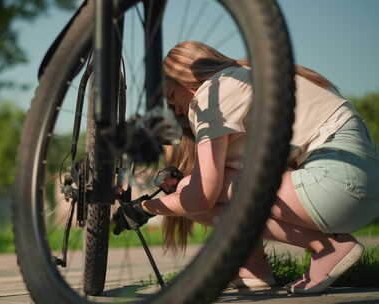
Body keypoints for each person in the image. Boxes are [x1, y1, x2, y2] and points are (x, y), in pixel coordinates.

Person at [112, 41, 379, 293]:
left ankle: (326, 247)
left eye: (172, 98)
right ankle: (253, 269)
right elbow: (234, 181)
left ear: (186, 79)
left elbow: (203, 195)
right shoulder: (245, 79)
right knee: (202, 187)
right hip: (358, 187)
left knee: (195, 192)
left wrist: (145, 208)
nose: (177, 111)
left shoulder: (212, 93)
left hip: (338, 184)